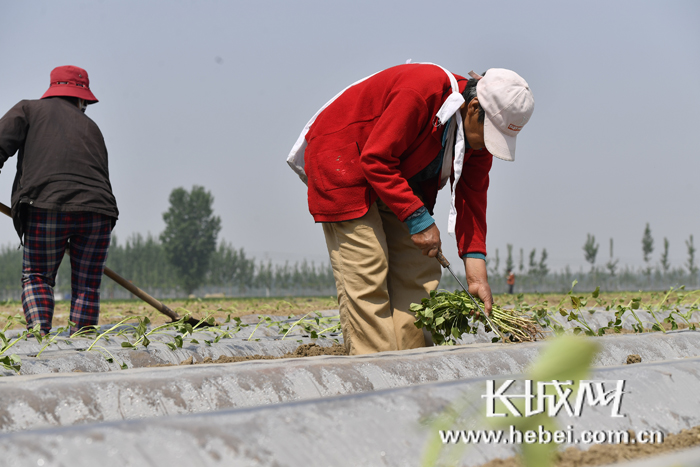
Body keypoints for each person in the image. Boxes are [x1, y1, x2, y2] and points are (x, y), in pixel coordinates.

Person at [288, 63, 534, 355]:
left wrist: (476, 275)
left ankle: (414, 363)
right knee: (368, 265)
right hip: (345, 159)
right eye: (490, 133)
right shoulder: (422, 90)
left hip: (397, 173)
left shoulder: (478, 143)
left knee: (420, 267)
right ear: (473, 108)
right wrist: (419, 220)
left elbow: (472, 198)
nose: (487, 145)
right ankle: (375, 370)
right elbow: (376, 158)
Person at [0, 65, 119, 336]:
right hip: (98, 213)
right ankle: (83, 341)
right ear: (81, 98)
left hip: (46, 207)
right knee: (88, 285)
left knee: (38, 277)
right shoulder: (92, 127)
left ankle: (40, 336)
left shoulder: (28, 109)